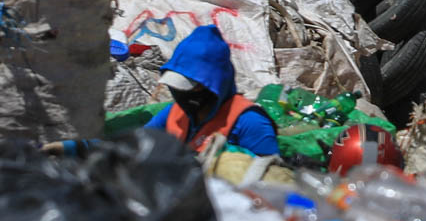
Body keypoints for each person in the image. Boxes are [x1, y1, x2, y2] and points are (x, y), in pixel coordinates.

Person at [55, 26, 279, 157]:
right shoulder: (175, 113)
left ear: (214, 85)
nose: (180, 94)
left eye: (190, 86)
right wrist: (69, 147)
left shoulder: (249, 122)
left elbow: (271, 181)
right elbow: (131, 146)